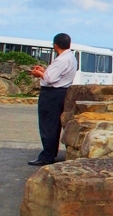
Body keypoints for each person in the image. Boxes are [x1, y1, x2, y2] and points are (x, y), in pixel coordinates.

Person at [27, 33, 77, 166]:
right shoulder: (71, 58)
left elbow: (50, 79)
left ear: (55, 45)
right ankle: (50, 152)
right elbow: (56, 75)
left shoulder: (61, 60)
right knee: (54, 124)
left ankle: (47, 155)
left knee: (47, 124)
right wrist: (45, 71)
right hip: (62, 92)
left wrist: (39, 73)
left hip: (52, 94)